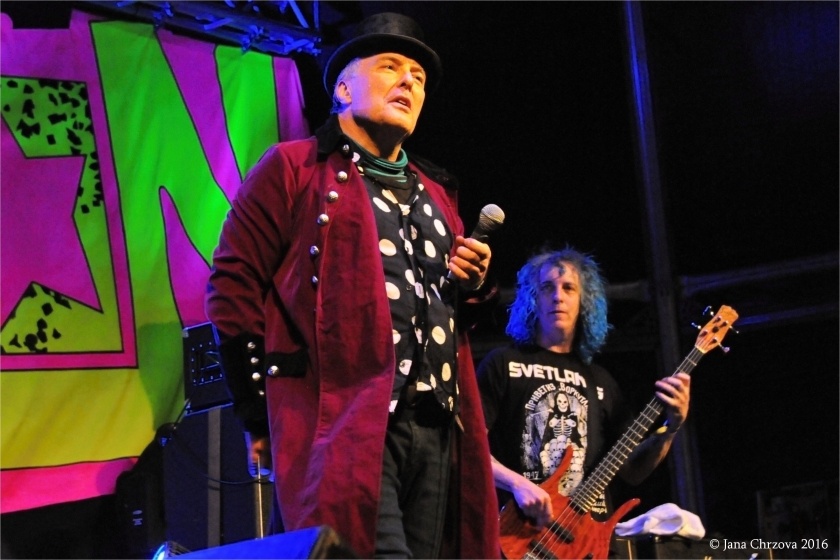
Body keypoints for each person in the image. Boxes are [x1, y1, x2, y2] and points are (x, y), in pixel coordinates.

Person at [205, 11, 501, 559]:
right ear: (342, 88)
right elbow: (233, 287)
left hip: (438, 429)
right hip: (345, 426)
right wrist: (256, 412)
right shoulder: (293, 168)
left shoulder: (438, 193)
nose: (408, 81)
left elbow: (451, 311)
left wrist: (476, 284)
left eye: (418, 77)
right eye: (390, 66)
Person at [476, 246, 690, 549]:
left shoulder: (601, 380)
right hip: (519, 533)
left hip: (586, 542)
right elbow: (470, 446)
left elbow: (633, 471)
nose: (557, 296)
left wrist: (671, 428)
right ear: (533, 299)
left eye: (569, 288)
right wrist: (518, 484)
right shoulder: (503, 364)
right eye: (547, 287)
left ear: (584, 302)